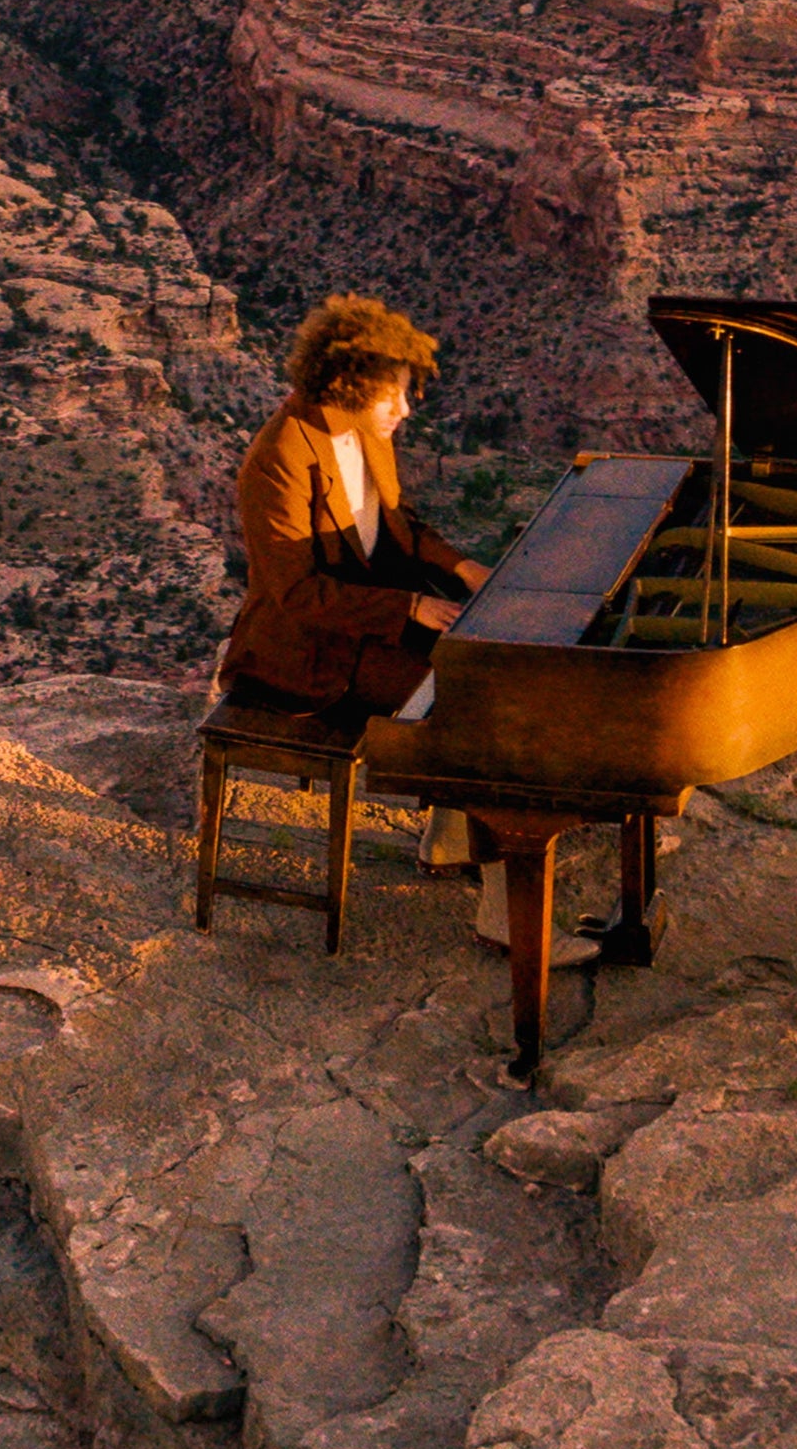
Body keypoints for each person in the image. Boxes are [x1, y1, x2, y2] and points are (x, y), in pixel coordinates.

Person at [218, 295, 597, 964]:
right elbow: (296, 594)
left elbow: (397, 524)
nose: (404, 410)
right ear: (350, 385)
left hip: (366, 620)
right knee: (475, 708)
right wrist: (408, 611)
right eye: (394, 396)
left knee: (491, 664)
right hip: (302, 649)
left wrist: (462, 567)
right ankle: (504, 917)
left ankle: (451, 840)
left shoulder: (365, 436)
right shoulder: (278, 459)